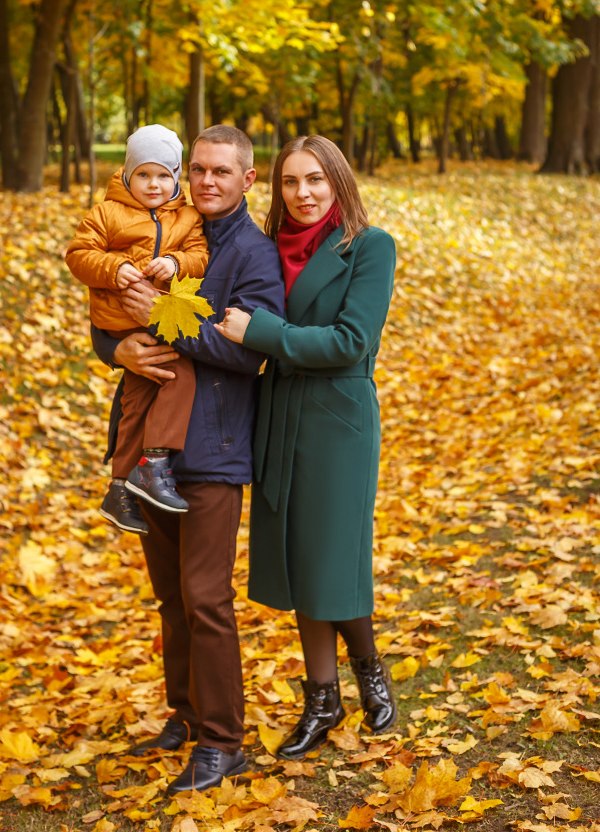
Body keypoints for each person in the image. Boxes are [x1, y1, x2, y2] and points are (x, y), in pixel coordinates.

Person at [91, 125, 285, 793]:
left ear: (247, 180)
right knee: (170, 597)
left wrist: (165, 312)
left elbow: (248, 350)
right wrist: (113, 349)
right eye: (197, 169)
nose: (205, 181)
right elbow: (110, 316)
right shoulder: (161, 228)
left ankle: (224, 742)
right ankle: (188, 714)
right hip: (150, 446)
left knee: (206, 599)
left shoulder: (254, 255)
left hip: (214, 449)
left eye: (220, 172)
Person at [215, 134, 397, 758]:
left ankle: (369, 667)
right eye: (291, 182)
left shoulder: (369, 248)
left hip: (337, 418)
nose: (303, 193)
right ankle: (323, 700)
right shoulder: (266, 250)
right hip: (278, 413)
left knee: (331, 557)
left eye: (316, 179)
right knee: (297, 560)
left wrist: (263, 331)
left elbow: (351, 341)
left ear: (338, 183)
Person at [66, 125, 209, 529]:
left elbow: (199, 253)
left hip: (159, 320)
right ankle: (155, 461)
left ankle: (118, 486)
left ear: (177, 177)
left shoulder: (187, 216)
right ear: (128, 174)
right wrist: (115, 268)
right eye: (144, 174)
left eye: (164, 175)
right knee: (178, 374)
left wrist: (177, 263)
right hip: (120, 321)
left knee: (137, 400)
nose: (154, 184)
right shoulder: (107, 213)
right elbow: (79, 254)